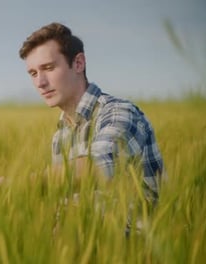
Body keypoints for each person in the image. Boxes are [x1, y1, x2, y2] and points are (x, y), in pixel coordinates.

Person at [19, 22, 165, 204]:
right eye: (33, 73)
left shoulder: (119, 113)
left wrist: (16, 185)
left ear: (78, 63)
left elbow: (100, 166)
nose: (40, 82)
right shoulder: (61, 135)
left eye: (49, 68)